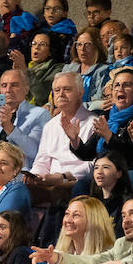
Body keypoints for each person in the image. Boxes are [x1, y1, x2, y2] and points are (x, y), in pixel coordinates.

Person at [35, 193, 133, 264]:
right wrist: (56, 258)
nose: (126, 220)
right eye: (123, 216)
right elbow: (91, 261)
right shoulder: (121, 244)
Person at [26, 73, 96, 203]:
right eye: (57, 90)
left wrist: (61, 178)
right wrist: (35, 176)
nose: (61, 94)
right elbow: (42, 160)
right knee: (17, 188)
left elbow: (92, 166)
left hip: (74, 182)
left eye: (67, 89)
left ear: (80, 93)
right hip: (48, 182)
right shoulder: (50, 125)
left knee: (61, 191)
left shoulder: (93, 123)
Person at [86, 67, 133, 171]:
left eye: (127, 85)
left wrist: (109, 136)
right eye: (117, 85)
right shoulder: (107, 115)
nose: (120, 89)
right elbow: (87, 154)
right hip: (103, 170)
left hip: (129, 173)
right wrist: (74, 140)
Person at [62, 27, 111, 109]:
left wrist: (71, 107)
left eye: (87, 44)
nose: (82, 49)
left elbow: (100, 102)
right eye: (79, 44)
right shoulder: (68, 69)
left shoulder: (104, 71)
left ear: (97, 46)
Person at [86, 150, 132, 230]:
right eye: (96, 168)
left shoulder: (126, 202)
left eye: (105, 167)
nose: (99, 172)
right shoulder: (91, 202)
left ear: (119, 173)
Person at [16, 32, 63, 107]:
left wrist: (25, 71)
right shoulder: (28, 66)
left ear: (51, 51)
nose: (36, 47)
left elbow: (42, 96)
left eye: (42, 44)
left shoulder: (57, 68)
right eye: (34, 43)